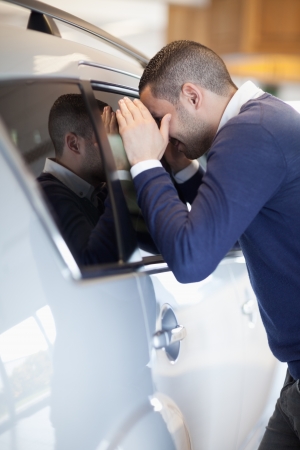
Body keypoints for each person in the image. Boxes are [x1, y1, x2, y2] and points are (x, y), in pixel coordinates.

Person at [115, 40, 300, 449]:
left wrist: (145, 162)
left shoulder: (250, 132)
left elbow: (193, 258)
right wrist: (178, 167)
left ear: (192, 96)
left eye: (160, 120)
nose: (161, 137)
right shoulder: (262, 121)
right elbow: (230, 228)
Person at [38, 94, 118, 265]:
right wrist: (119, 173)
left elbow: (153, 239)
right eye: (110, 138)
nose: (118, 147)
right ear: (74, 144)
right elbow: (95, 264)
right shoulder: (48, 196)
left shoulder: (95, 193)